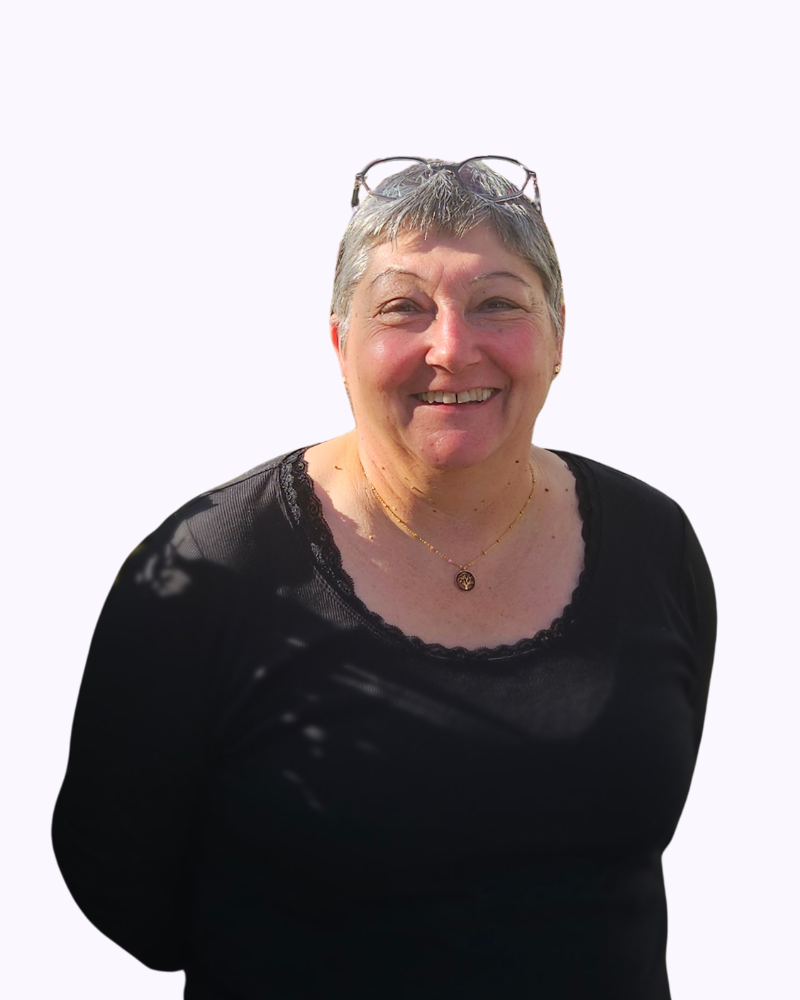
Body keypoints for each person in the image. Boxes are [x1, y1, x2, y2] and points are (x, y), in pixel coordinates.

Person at [52, 156, 716, 999]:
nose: (452, 348)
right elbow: (120, 880)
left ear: (558, 337)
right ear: (340, 344)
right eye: (404, 308)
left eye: (498, 304)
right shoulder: (214, 569)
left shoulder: (653, 543)